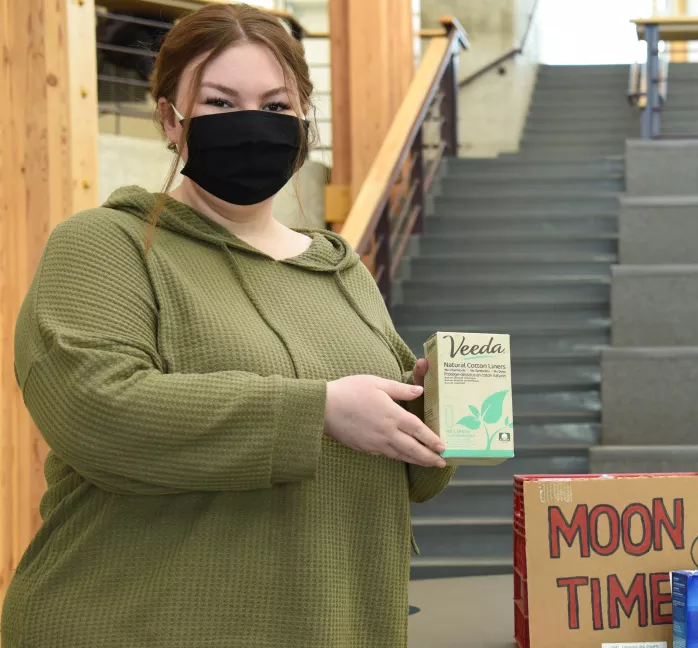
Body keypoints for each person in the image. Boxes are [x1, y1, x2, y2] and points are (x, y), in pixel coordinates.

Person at [2, 4, 454, 646]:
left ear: (303, 122)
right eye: (220, 102)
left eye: (276, 107)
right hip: (136, 624)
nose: (252, 125)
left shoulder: (338, 268)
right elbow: (94, 409)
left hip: (333, 623)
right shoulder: (108, 245)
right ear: (170, 119)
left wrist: (439, 410)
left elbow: (403, 460)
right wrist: (317, 411)